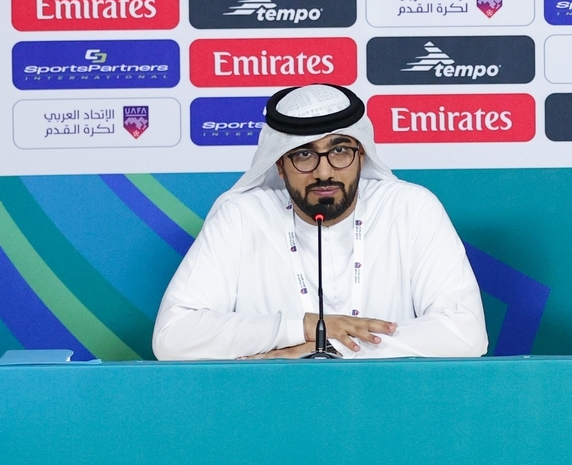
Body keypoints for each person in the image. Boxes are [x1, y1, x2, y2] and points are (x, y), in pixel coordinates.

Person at [153, 84, 487, 360]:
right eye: (304, 154)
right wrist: (301, 327)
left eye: (340, 151)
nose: (323, 172)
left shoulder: (409, 208)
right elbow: (172, 337)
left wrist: (325, 350)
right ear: (279, 164)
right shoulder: (242, 215)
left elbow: (466, 334)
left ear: (362, 155)